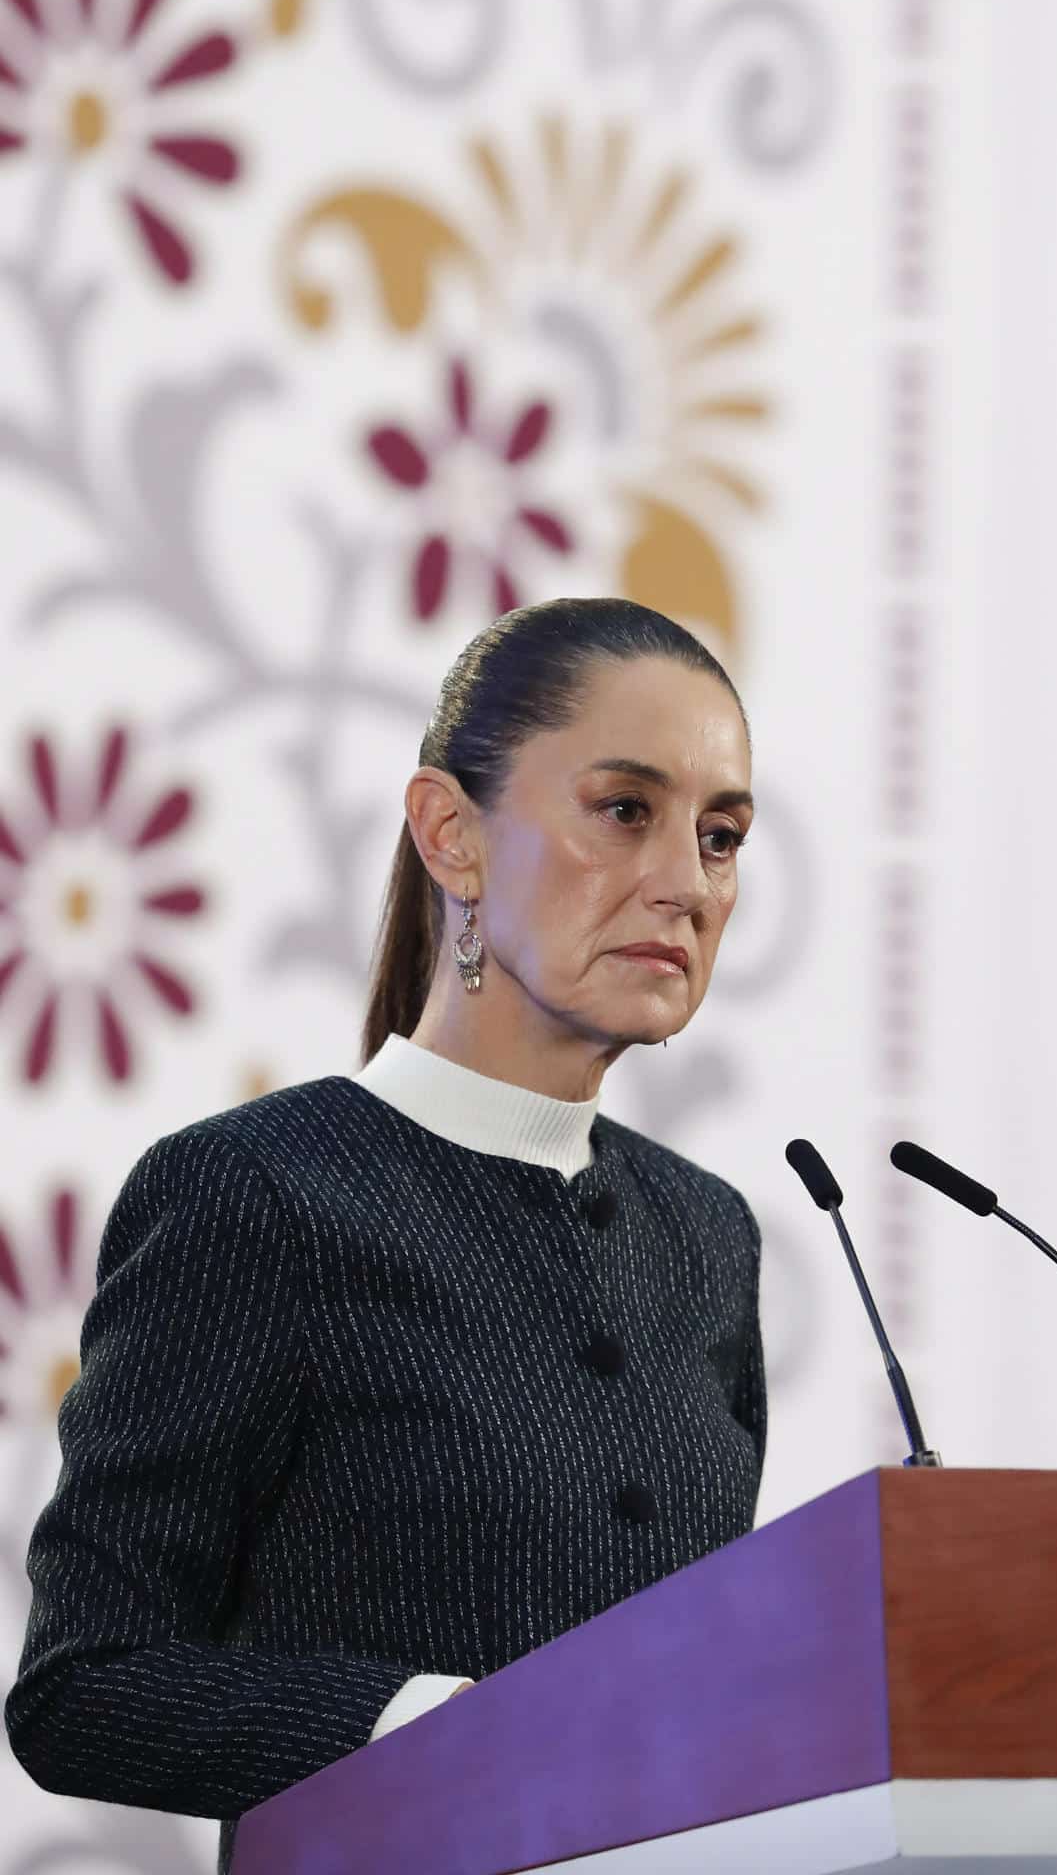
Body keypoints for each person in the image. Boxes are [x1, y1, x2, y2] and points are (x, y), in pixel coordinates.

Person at [4, 596, 768, 1874]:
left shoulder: (706, 1235)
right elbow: (83, 1687)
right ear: (450, 835)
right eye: (624, 810)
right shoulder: (254, 1195)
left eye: (722, 834)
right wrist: (426, 1725)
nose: (684, 883)